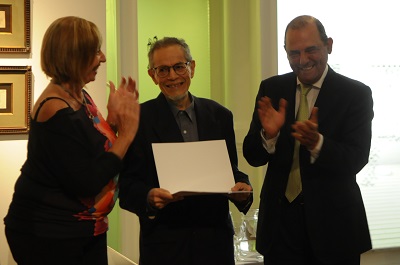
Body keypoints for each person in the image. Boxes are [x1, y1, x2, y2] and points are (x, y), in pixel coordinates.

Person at [4, 16, 140, 265]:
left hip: (83, 230)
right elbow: (86, 181)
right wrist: (128, 134)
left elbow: (87, 152)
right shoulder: (54, 108)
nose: (103, 58)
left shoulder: (79, 95)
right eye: (94, 51)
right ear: (72, 55)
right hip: (49, 234)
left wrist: (114, 123)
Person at [243, 15, 373, 265]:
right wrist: (269, 135)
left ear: (329, 45)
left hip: (334, 230)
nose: (302, 61)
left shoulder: (355, 94)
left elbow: (356, 159)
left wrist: (317, 143)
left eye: (310, 50)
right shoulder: (271, 88)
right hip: (279, 229)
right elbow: (253, 156)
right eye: (293, 53)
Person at [119, 37, 253, 265]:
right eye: (163, 70)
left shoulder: (220, 115)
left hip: (215, 246)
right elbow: (127, 186)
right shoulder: (139, 119)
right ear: (152, 75)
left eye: (179, 66)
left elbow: (230, 171)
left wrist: (243, 188)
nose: (172, 76)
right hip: (164, 248)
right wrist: (148, 197)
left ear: (192, 67)